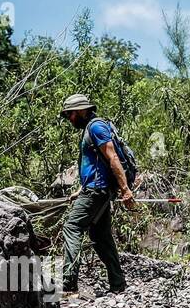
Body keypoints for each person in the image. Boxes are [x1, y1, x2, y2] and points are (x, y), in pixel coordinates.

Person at [58, 93, 135, 295]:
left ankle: (68, 283)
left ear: (81, 110)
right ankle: (118, 284)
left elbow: (112, 157)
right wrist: (80, 189)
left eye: (70, 115)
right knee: (100, 237)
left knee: (72, 226)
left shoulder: (96, 127)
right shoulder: (90, 128)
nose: (69, 119)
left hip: (97, 191)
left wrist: (126, 189)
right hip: (95, 189)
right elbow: (95, 165)